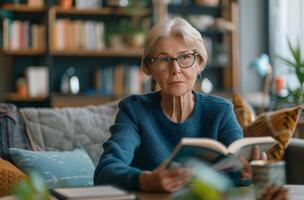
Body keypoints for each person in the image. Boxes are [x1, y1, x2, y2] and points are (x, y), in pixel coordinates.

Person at [94, 17, 262, 192]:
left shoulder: (221, 110)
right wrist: (146, 181)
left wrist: (250, 171)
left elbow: (239, 174)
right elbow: (105, 172)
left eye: (185, 57)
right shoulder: (135, 111)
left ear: (200, 63)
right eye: (163, 59)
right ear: (149, 68)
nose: (175, 70)